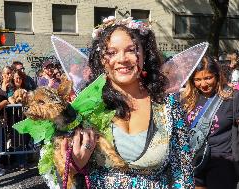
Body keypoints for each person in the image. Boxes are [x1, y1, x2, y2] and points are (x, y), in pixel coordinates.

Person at [61, 17, 194, 188]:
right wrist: (75, 165)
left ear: (145, 55)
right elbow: (59, 173)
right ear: (101, 59)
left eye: (131, 50)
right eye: (111, 52)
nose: (122, 59)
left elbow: (183, 174)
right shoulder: (85, 108)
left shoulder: (168, 107)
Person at [181, 56, 239, 189]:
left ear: (217, 76)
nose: (203, 84)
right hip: (194, 161)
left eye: (208, 78)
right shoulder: (187, 100)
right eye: (197, 79)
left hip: (221, 162)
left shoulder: (232, 97)